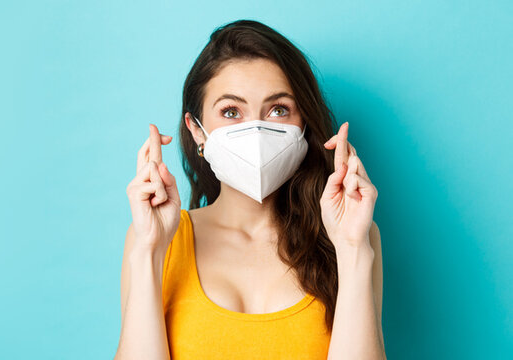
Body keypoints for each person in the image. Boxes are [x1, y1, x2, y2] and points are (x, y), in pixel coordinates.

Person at [115, 20, 386, 359]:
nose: (256, 130)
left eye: (278, 110)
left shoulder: (354, 236)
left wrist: (352, 249)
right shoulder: (156, 241)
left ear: (304, 124)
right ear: (197, 130)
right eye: (231, 112)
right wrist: (149, 250)